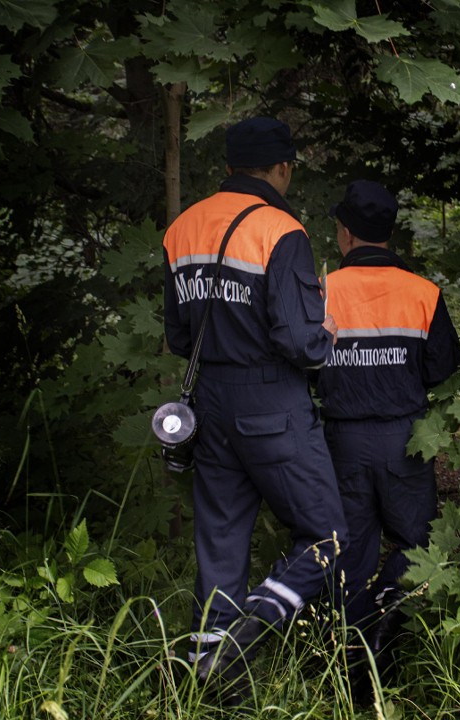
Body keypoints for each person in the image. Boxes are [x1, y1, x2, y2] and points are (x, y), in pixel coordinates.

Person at [162, 116, 348, 689]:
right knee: (328, 539)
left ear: (227, 168)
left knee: (220, 547)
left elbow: (177, 336)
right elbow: (297, 338)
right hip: (271, 401)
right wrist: (327, 338)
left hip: (209, 403)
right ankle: (255, 625)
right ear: (283, 168)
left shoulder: (183, 228)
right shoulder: (280, 230)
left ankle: (212, 684)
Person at [315, 180, 460, 693]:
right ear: (389, 232)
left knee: (349, 552)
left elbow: (302, 362)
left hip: (342, 442)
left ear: (345, 233)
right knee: (416, 544)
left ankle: (351, 665)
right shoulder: (424, 293)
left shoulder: (322, 291)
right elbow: (442, 366)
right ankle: (386, 634)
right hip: (406, 439)